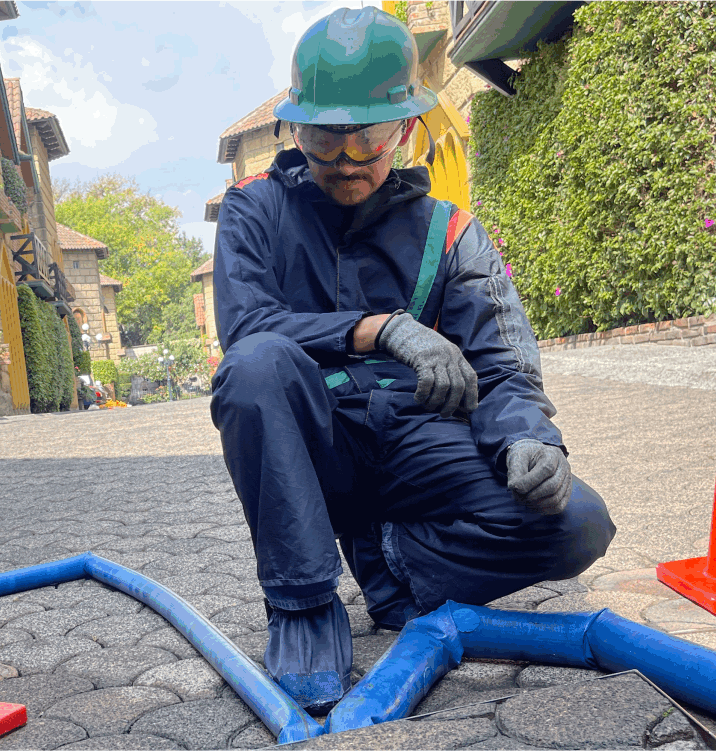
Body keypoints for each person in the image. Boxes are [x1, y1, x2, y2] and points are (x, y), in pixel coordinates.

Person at [209, 7, 616, 714]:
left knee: (575, 519)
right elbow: (247, 325)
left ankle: (390, 565)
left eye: (363, 140)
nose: (342, 161)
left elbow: (500, 364)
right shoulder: (255, 209)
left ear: (402, 128)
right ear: (296, 129)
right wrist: (381, 328)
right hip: (308, 451)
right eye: (322, 140)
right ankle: (305, 609)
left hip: (413, 443)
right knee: (254, 368)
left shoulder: (450, 232)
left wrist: (528, 436)